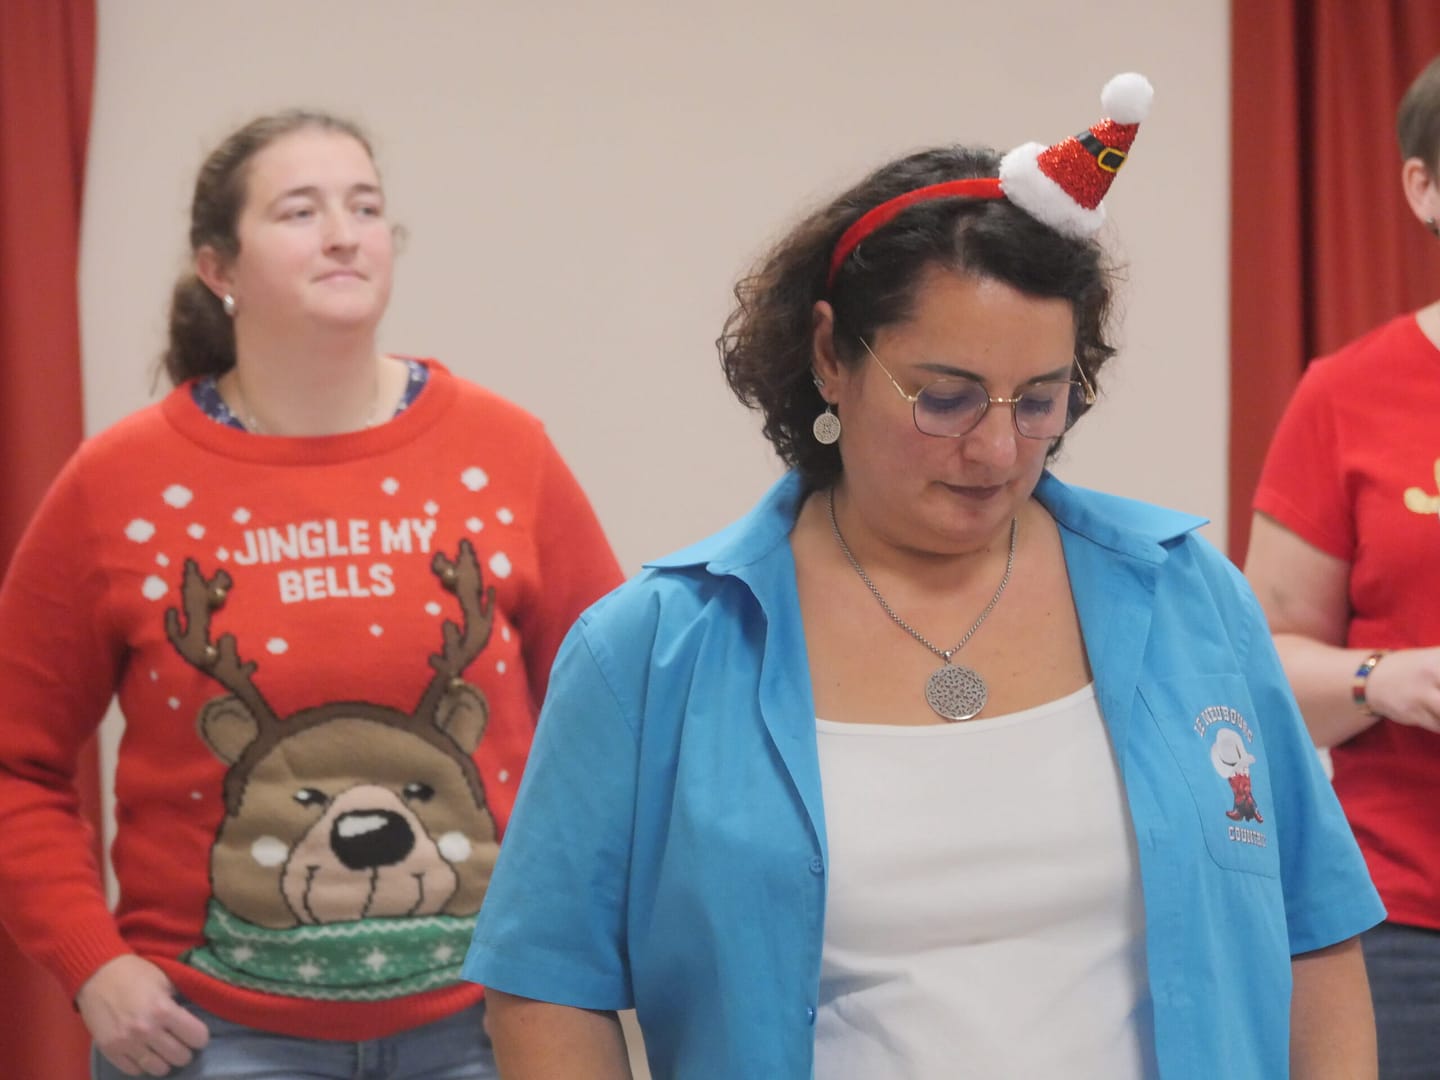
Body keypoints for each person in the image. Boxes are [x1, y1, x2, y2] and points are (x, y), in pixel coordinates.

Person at [463, 75, 1385, 1079]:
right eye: (946, 398)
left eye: (1041, 400)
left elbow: (1313, 930)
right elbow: (546, 983)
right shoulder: (652, 651)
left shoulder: (1187, 599)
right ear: (831, 355)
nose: (997, 449)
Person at [0, 110, 623, 1079]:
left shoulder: (505, 451)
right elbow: (16, 764)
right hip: (211, 1037)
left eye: (365, 208)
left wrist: (578, 949)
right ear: (219, 267)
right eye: (300, 211)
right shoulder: (115, 485)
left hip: (487, 1027)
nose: (343, 234)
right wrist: (93, 966)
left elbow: (617, 721)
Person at [1244, 55, 1440, 1080]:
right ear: (1423, 187)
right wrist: (1386, 678)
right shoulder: (1347, 395)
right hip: (1407, 922)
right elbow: (1260, 668)